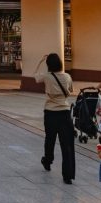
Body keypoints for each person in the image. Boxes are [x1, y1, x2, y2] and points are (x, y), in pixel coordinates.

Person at [35, 53, 76, 184]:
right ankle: (68, 175)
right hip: (64, 112)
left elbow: (36, 77)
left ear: (49, 65)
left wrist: (40, 61)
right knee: (67, 144)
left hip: (50, 112)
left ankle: (47, 160)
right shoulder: (68, 76)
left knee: (50, 139)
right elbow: (71, 90)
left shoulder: (47, 77)